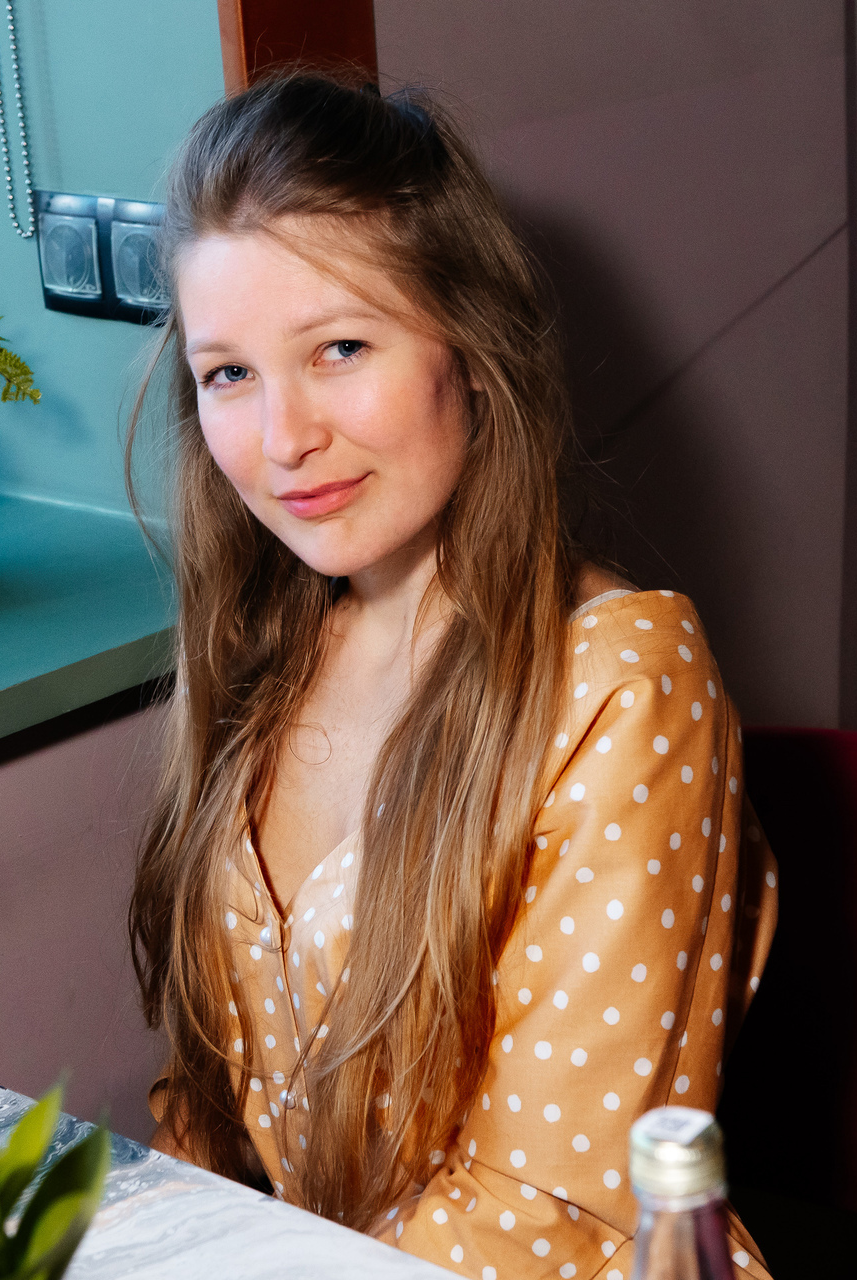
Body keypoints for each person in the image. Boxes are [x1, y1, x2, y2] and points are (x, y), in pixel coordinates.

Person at [126, 71, 779, 1279]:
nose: (282, 440)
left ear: (471, 349)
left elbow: (551, 1215)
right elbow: (207, 1114)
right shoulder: (264, 650)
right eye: (229, 374)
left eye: (340, 347)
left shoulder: (623, 684)